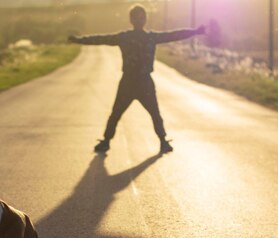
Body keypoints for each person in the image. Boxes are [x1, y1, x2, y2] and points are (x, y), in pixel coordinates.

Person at [69, 5, 206, 153]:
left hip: (140, 82)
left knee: (152, 113)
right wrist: (79, 40)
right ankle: (110, 141)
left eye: (141, 16)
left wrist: (195, 32)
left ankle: (160, 141)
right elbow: (101, 39)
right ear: (133, 20)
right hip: (133, 82)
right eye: (138, 17)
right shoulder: (146, 37)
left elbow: (174, 34)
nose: (140, 19)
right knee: (119, 113)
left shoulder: (133, 37)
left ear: (142, 19)